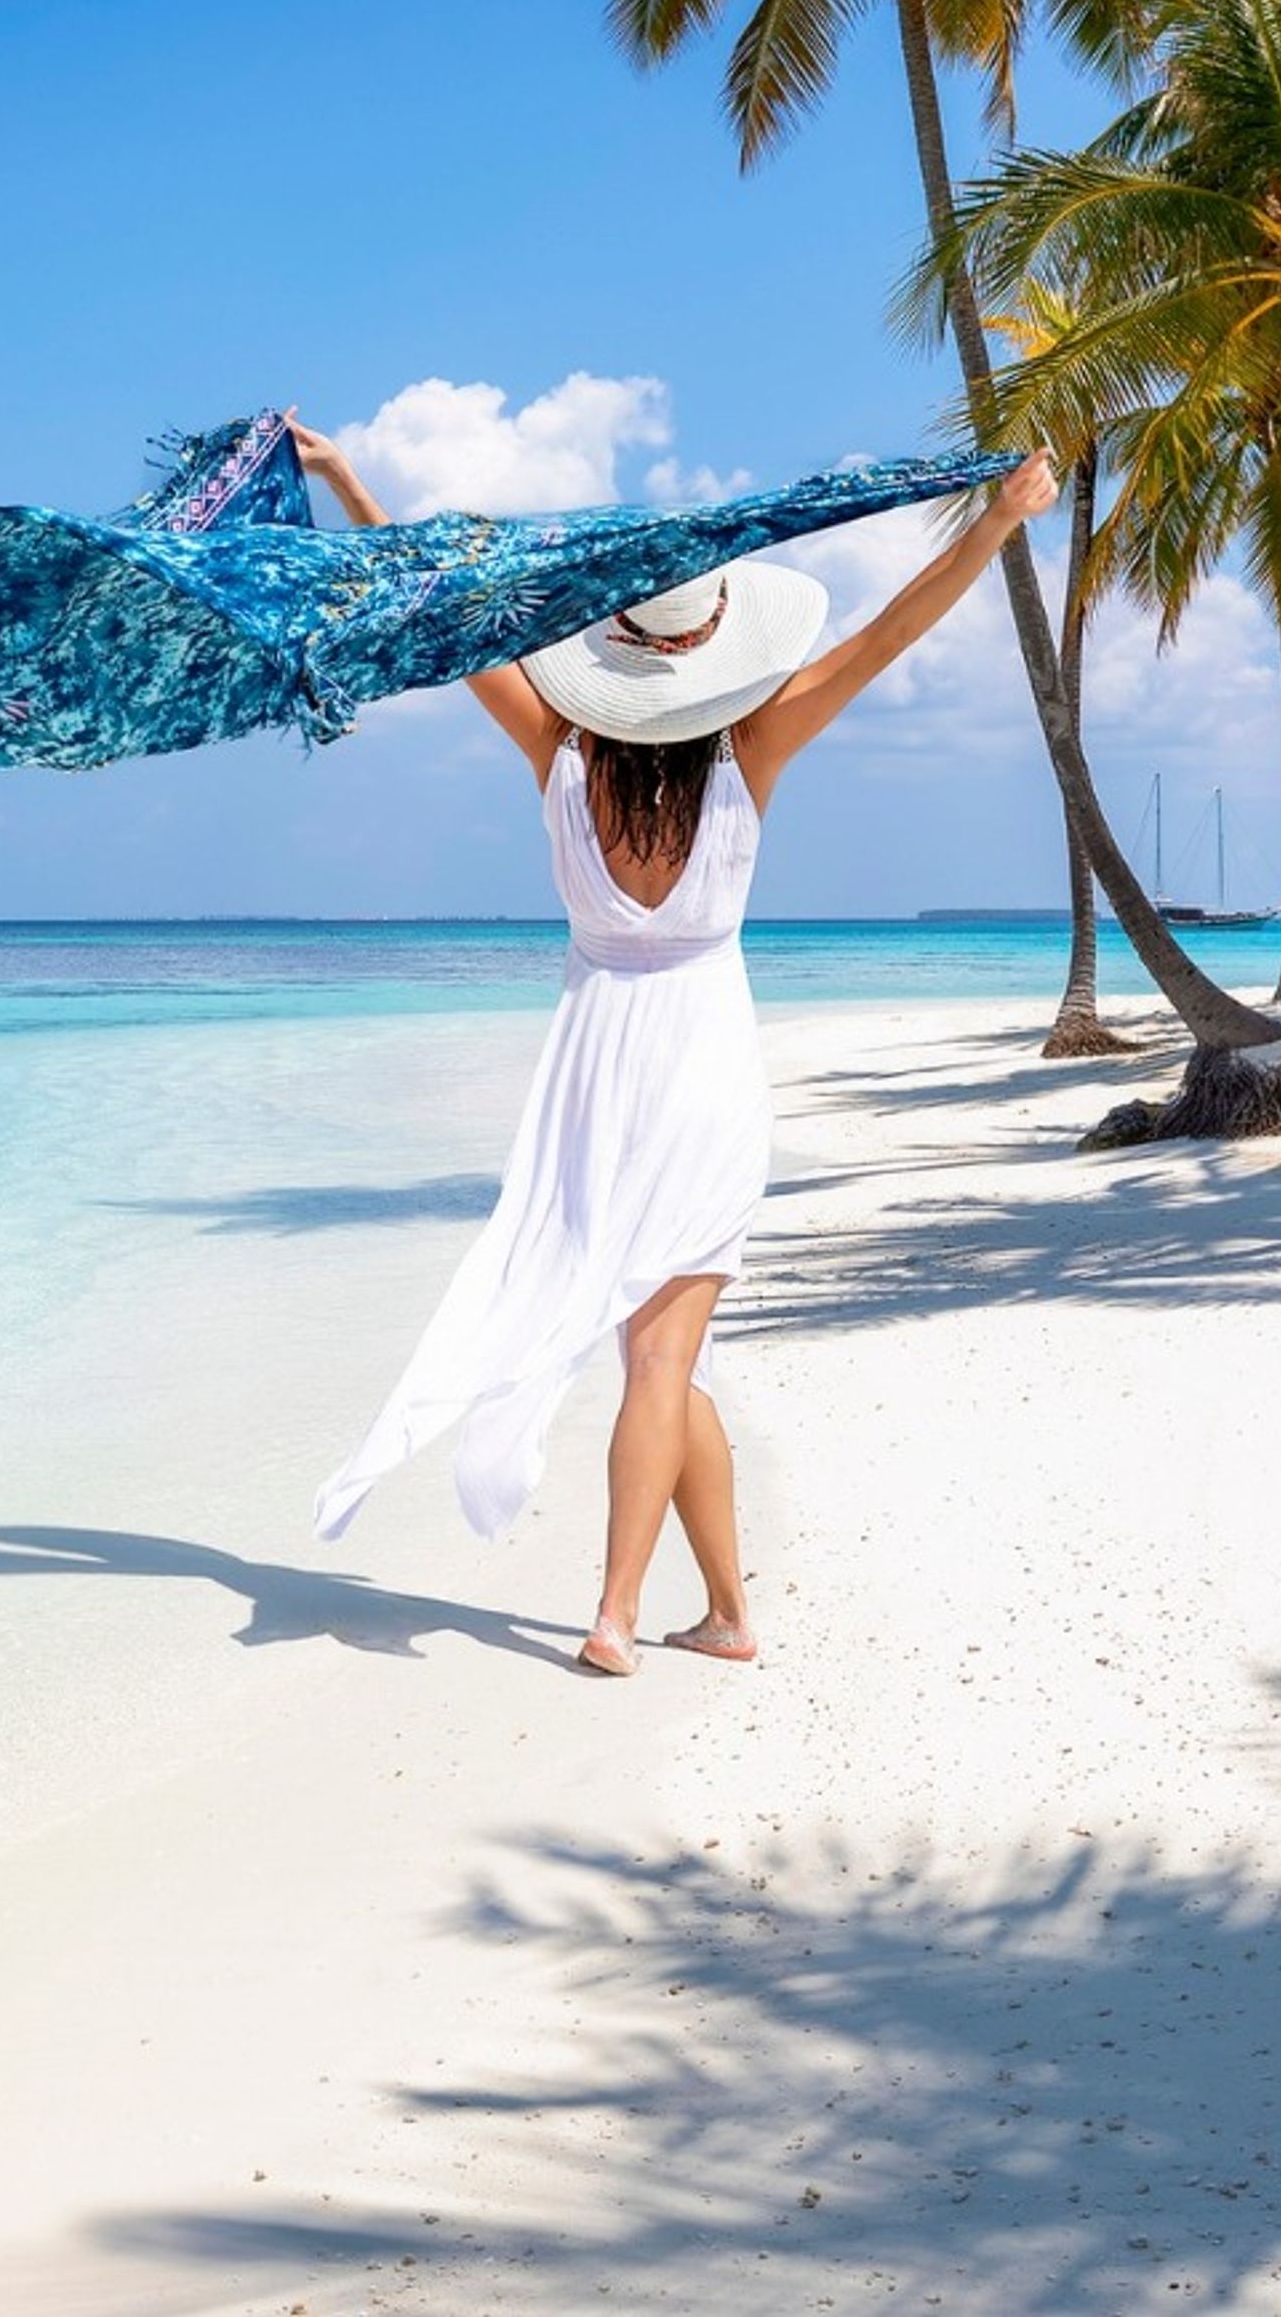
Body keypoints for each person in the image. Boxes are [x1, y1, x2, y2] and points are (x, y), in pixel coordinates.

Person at [289, 424, 1064, 1675]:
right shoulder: (754, 753)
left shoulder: (554, 751)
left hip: (595, 1064)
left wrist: (351, 486)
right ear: (718, 654)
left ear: (613, 660)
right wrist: (992, 524)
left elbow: (434, 610)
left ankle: (693, 1611)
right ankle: (651, 1615)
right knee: (664, 1354)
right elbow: (886, 635)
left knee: (659, 1356)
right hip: (705, 1062)